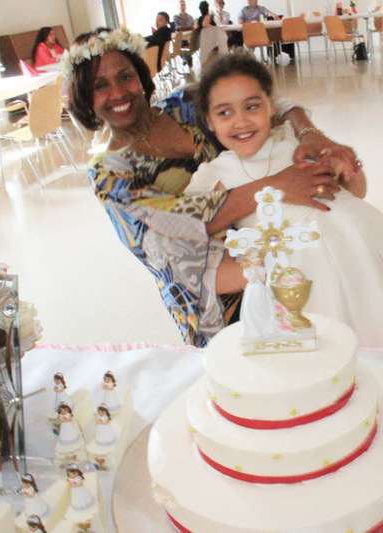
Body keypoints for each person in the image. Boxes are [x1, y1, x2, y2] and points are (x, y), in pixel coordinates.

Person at [65, 28, 358, 348]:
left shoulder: (185, 105)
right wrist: (275, 186)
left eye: (125, 77)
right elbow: (165, 228)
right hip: (219, 295)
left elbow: (269, 102)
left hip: (286, 253)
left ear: (141, 75)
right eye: (100, 86)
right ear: (84, 96)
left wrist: (311, 134)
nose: (118, 92)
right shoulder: (108, 171)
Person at [184, 54, 383, 347]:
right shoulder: (213, 175)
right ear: (209, 121)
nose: (241, 121)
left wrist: (346, 169)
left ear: (271, 106)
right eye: (225, 113)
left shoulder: (293, 141)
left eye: (252, 106)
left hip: (369, 238)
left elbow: (356, 192)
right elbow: (190, 234)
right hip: (304, 265)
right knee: (345, 339)